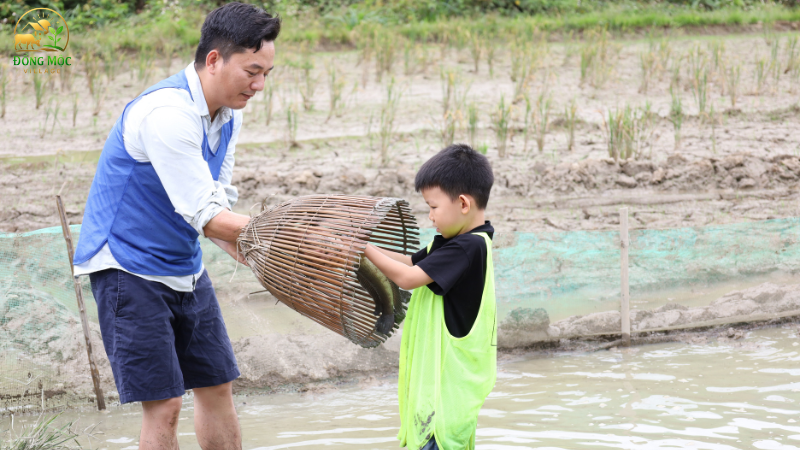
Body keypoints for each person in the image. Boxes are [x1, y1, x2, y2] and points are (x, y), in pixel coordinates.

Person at [72, 3, 280, 449]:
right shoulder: (167, 113)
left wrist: (257, 256)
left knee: (217, 386)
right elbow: (205, 215)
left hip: (183, 265)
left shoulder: (229, 112)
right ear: (213, 60)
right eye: (252, 71)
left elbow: (214, 200)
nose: (260, 85)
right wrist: (285, 236)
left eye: (267, 73)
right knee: (165, 404)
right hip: (128, 266)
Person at [364, 144, 497, 450]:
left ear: (463, 203)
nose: (430, 216)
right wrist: (362, 248)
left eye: (433, 207)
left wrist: (363, 248)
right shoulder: (459, 243)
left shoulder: (467, 248)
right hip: (443, 399)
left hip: (444, 401)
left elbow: (409, 278)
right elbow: (411, 262)